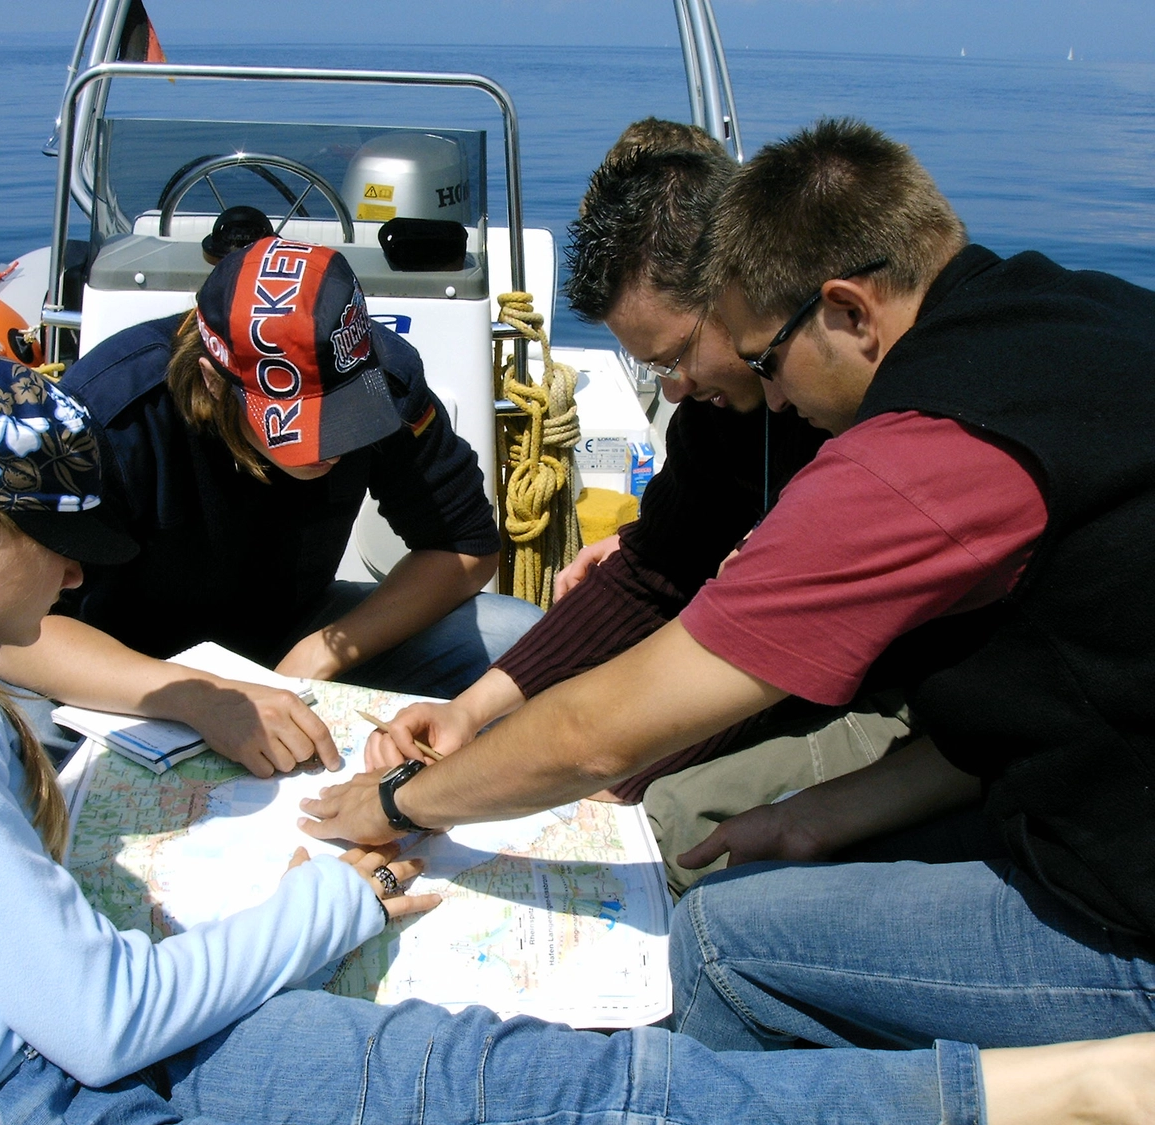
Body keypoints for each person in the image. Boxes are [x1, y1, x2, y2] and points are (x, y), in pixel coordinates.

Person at [0, 350, 1151, 1125]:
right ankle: (1055, 1096)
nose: (78, 583)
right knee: (533, 1090)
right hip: (16, 1091)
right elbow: (103, 1024)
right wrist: (331, 901)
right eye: (60, 551)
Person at [300, 117, 1155, 1056]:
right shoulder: (1076, 313)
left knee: (721, 941)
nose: (772, 397)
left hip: (1118, 911)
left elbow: (595, 736)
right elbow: (1012, 705)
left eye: (764, 362)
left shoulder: (921, 456)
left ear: (848, 312)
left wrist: (402, 803)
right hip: (1058, 781)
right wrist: (811, 817)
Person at [366, 121, 902, 873]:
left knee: (661, 817)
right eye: (652, 369)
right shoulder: (717, 416)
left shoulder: (862, 426)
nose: (673, 391)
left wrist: (624, 777)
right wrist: (472, 708)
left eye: (676, 356)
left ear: (738, 291)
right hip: (768, 654)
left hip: (886, 689)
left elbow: (781, 651)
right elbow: (652, 573)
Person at [0, 235, 541, 779]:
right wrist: (204, 699)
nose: (332, 446)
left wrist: (320, 654)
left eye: (349, 414)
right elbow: (17, 636)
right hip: (128, 662)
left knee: (517, 637)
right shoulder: (109, 416)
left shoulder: (385, 377)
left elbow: (463, 546)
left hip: (291, 628)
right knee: (21, 737)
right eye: (300, 426)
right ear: (213, 380)